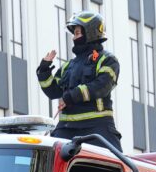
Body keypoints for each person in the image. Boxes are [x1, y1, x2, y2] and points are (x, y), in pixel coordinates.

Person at [36, 11, 122, 150]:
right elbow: (53, 92)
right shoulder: (68, 66)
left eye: (77, 33)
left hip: (97, 127)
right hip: (66, 129)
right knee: (48, 158)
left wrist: (73, 95)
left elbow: (102, 86)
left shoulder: (107, 60)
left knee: (115, 165)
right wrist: (44, 70)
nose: (73, 38)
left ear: (90, 33)